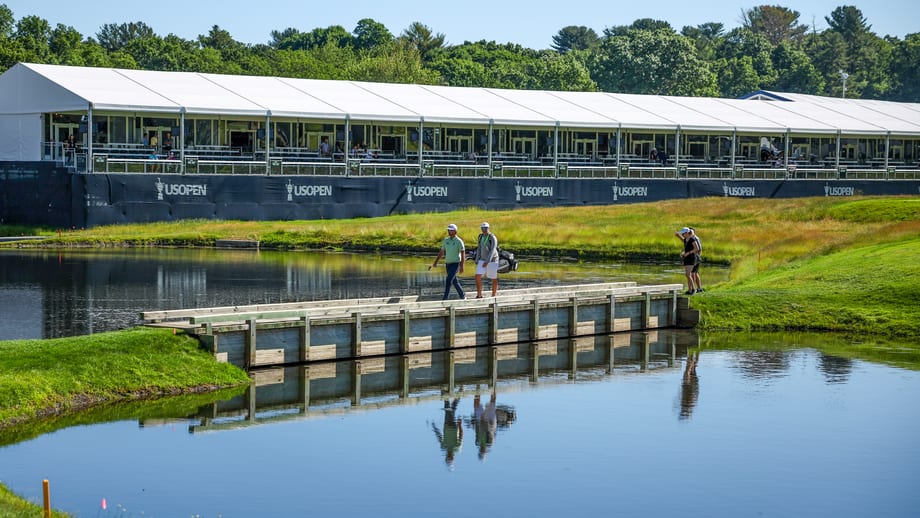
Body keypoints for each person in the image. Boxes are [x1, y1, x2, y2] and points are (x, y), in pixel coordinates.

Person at [429, 223, 465, 300]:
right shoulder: (446, 240)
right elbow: (441, 252)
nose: (449, 231)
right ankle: (463, 296)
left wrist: (462, 266)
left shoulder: (459, 241)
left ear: (455, 231)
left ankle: (445, 298)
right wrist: (435, 262)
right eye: (449, 230)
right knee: (455, 281)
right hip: (448, 264)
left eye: (451, 230)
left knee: (448, 280)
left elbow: (463, 253)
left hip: (456, 264)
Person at [431, 398, 463, 468]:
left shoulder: (444, 447)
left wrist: (434, 428)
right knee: (449, 410)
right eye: (450, 458)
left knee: (450, 410)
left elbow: (439, 437)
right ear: (453, 458)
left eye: (448, 458)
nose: (449, 456)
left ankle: (452, 397)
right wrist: (460, 425)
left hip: (446, 425)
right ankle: (451, 396)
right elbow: (461, 436)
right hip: (453, 426)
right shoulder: (457, 448)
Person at [474, 222, 499, 298]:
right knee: (477, 276)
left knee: (493, 278)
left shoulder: (492, 237)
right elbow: (479, 248)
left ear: (488, 228)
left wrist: (487, 261)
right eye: (482, 228)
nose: (484, 230)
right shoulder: (480, 236)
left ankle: (493, 295)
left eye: (485, 228)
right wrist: (477, 259)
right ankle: (479, 294)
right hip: (482, 259)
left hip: (492, 260)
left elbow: (493, 250)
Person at [676, 227, 701, 294]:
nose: (683, 235)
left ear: (687, 233)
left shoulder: (692, 239)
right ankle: (690, 290)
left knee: (688, 274)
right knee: (687, 274)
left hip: (691, 258)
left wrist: (688, 253)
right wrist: (678, 236)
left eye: (683, 234)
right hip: (687, 258)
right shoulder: (686, 239)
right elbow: (683, 241)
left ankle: (693, 289)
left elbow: (697, 249)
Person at [688, 227, 703, 293]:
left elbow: (699, 249)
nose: (690, 233)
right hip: (693, 257)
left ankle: (693, 289)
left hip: (695, 258)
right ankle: (698, 288)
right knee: (695, 273)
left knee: (693, 273)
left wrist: (698, 257)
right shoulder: (691, 238)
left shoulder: (695, 238)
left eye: (691, 232)